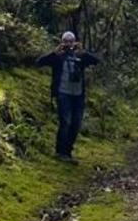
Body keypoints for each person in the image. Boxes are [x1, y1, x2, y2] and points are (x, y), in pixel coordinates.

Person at [35, 31, 101, 163]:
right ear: (62, 42)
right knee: (66, 122)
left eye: (71, 41)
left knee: (76, 123)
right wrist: (54, 52)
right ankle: (60, 152)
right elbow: (39, 62)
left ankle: (68, 151)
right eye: (66, 41)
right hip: (63, 93)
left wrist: (83, 52)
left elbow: (97, 60)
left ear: (75, 42)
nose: (68, 44)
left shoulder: (80, 56)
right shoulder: (58, 56)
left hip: (78, 95)